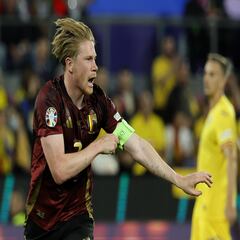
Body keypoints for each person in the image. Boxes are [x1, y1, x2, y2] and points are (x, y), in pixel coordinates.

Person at [24, 18, 212, 240]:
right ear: (70, 64)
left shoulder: (100, 102)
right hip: (42, 222)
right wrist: (98, 146)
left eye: (95, 58)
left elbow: (137, 145)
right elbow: (59, 171)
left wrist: (177, 179)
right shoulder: (50, 100)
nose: (95, 66)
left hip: (77, 218)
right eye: (88, 59)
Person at [191, 53, 238, 240]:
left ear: (224, 79)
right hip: (204, 206)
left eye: (213, 75)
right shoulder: (213, 112)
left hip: (216, 211)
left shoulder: (224, 113)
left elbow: (232, 158)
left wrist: (230, 204)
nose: (206, 79)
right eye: (205, 73)